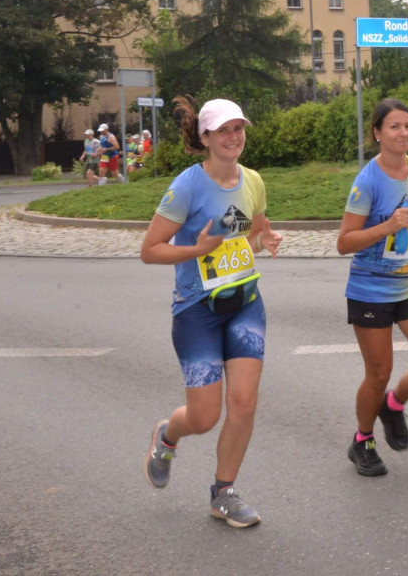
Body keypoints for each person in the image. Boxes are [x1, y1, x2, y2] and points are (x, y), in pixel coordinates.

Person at [140, 97, 282, 529]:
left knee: (243, 402)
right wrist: (198, 248)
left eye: (238, 128)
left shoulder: (252, 181)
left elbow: (254, 236)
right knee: (204, 417)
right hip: (196, 311)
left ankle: (224, 493)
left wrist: (266, 242)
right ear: (205, 138)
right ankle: (168, 436)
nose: (233, 137)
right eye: (223, 130)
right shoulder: (187, 187)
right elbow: (149, 251)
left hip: (244, 303)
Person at [336, 98, 408, 477]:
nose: (404, 133)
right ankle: (363, 440)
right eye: (395, 127)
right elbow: (344, 242)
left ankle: (394, 404)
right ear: (377, 133)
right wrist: (388, 226)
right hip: (371, 290)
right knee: (378, 371)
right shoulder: (367, 181)